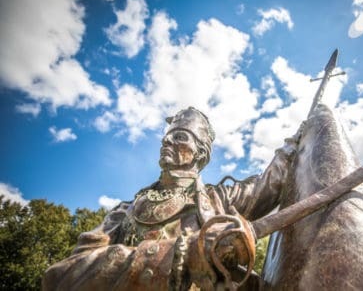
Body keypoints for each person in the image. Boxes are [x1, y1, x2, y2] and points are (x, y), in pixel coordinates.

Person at [43, 107, 297, 291]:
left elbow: (270, 185)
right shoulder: (125, 212)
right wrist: (181, 255)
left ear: (200, 153)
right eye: (168, 135)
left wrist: (292, 147)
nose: (167, 140)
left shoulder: (219, 200)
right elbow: (64, 276)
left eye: (180, 136)